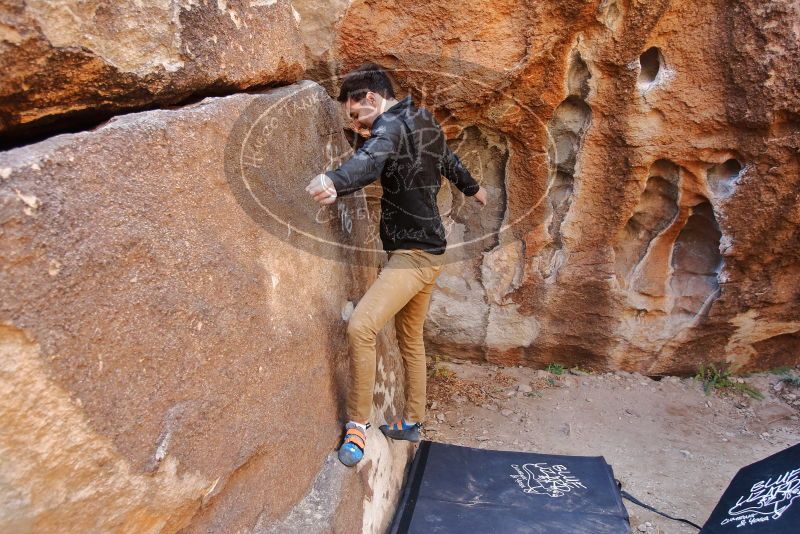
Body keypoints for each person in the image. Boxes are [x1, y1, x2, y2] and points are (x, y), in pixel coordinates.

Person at [305, 63, 487, 467]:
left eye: (357, 114)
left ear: (371, 98)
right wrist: (474, 188)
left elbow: (372, 161)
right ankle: (413, 421)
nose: (357, 124)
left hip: (413, 257)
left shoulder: (389, 126)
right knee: (410, 337)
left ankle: (357, 426)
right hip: (432, 249)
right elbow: (448, 159)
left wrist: (334, 181)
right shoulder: (423, 119)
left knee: (361, 326)